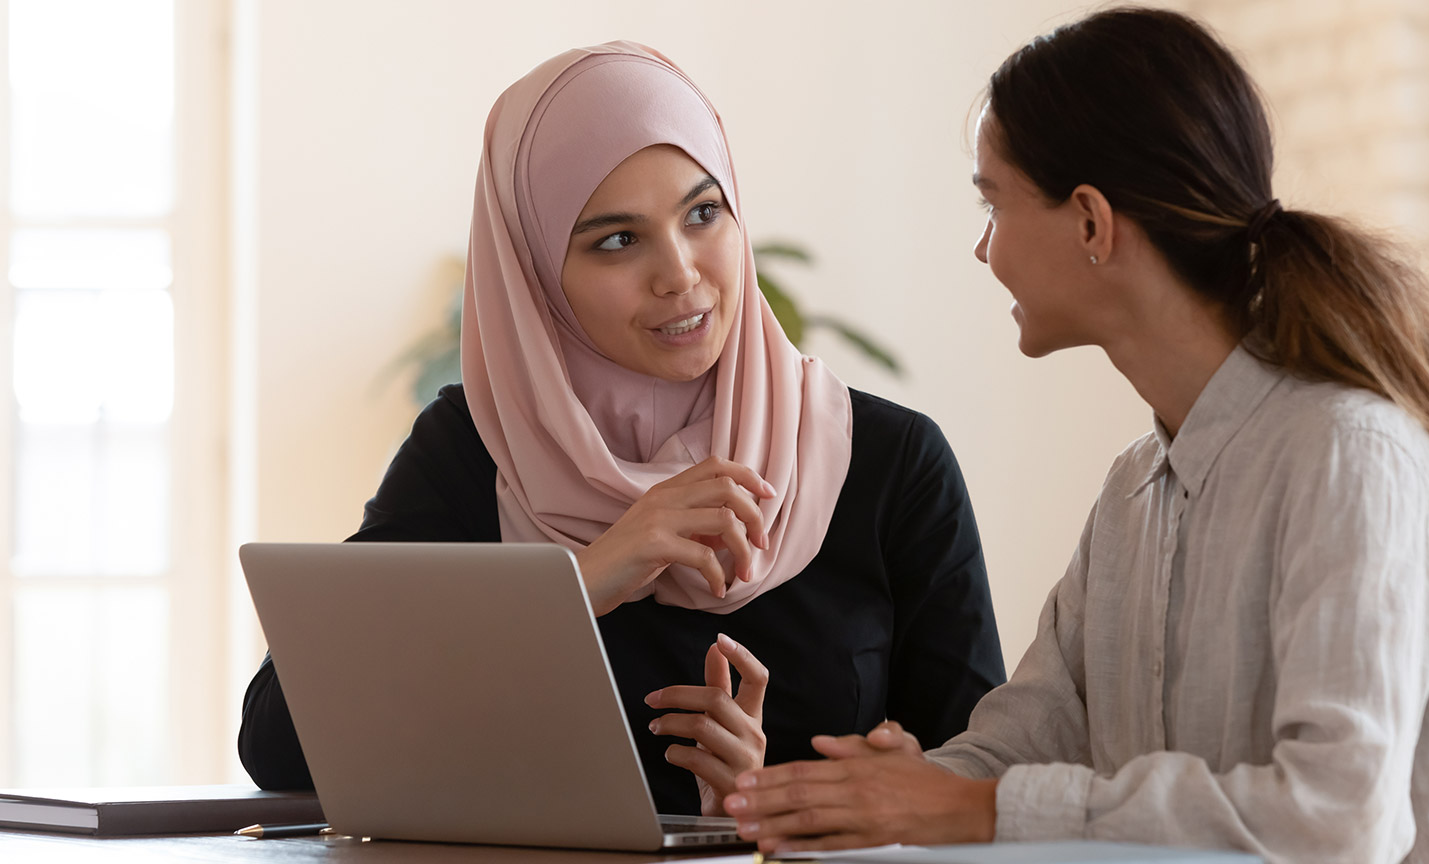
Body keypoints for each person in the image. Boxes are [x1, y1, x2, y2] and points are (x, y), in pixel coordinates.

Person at [723, 8, 1429, 860]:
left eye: (993, 204)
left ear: (1090, 224)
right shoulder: (1133, 490)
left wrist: (979, 810)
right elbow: (1022, 742)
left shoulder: (1351, 457)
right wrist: (894, 787)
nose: (982, 248)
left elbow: (1336, 816)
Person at [237, 42, 1006, 818]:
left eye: (704, 213)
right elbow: (277, 741)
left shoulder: (887, 462)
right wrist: (581, 583)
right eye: (617, 240)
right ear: (536, 275)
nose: (680, 274)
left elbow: (975, 785)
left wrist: (769, 805)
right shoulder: (476, 451)